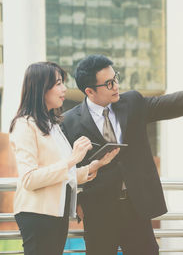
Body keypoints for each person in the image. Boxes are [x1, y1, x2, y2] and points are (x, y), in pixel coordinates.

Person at [61, 54, 183, 254]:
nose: (116, 86)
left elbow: (174, 103)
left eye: (116, 78)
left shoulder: (132, 103)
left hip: (137, 208)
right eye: (109, 83)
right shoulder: (69, 122)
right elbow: (65, 169)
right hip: (98, 212)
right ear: (89, 91)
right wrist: (77, 202)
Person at [9, 62, 119, 255]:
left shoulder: (52, 126)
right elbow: (29, 179)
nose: (64, 89)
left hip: (56, 213)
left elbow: (62, 175)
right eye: (58, 83)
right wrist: (72, 159)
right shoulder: (24, 125)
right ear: (41, 88)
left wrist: (94, 165)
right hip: (37, 214)